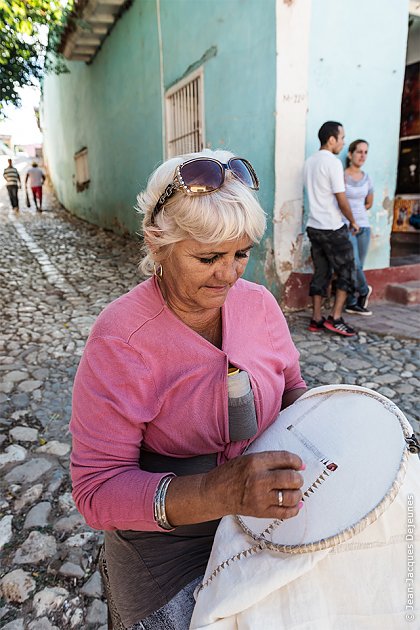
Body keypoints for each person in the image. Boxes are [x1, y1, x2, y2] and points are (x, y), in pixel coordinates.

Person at [70, 149, 308, 630]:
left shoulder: (258, 305)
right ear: (158, 245)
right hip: (167, 547)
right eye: (208, 257)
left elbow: (292, 390)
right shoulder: (122, 339)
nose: (230, 274)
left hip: (265, 520)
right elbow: (96, 490)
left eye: (241, 253)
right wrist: (217, 492)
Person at [304, 121, 360, 337]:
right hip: (332, 227)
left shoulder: (309, 162)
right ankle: (335, 318)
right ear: (331, 139)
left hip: (314, 227)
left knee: (322, 272)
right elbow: (341, 199)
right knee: (347, 271)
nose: (343, 142)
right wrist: (353, 221)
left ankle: (316, 318)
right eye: (342, 138)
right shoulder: (333, 163)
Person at [343, 139, 374, 315]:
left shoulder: (367, 178)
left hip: (364, 227)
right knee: (352, 264)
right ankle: (363, 290)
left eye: (365, 152)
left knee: (359, 265)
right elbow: (339, 201)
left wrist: (358, 214)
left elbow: (369, 202)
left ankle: (352, 302)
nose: (362, 155)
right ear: (350, 154)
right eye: (359, 151)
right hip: (347, 226)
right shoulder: (342, 176)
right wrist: (351, 217)